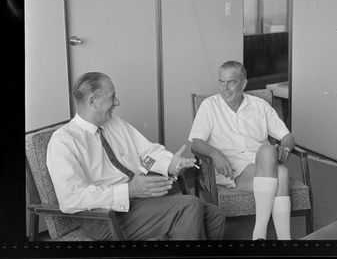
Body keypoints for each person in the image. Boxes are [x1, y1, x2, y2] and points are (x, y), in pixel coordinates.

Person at [47, 72, 225, 240]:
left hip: (138, 202)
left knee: (214, 215)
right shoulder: (64, 141)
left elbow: (148, 154)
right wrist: (128, 190)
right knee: (189, 206)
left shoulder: (114, 123)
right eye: (112, 97)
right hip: (104, 216)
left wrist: (170, 164)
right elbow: (70, 199)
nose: (117, 102)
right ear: (93, 101)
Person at [188, 61, 295, 240]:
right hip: (230, 170)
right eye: (221, 82)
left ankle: (269, 238)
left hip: (260, 162)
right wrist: (216, 153)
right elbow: (196, 143)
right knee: (279, 169)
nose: (225, 88)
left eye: (231, 82)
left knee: (272, 159)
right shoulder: (209, 105)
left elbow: (287, 136)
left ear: (243, 83)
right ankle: (267, 235)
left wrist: (285, 147)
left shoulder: (260, 105)